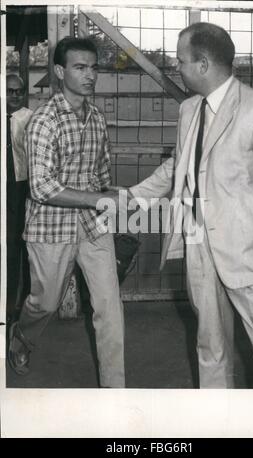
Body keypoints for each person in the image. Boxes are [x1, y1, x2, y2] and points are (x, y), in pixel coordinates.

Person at [128, 23, 253, 388]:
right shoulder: (189, 109)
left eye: (182, 60)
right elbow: (180, 165)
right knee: (210, 348)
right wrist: (132, 197)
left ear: (202, 64)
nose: (177, 67)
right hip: (198, 244)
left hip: (252, 256)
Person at [8, 37, 125, 388]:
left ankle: (115, 393)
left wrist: (114, 201)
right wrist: (95, 199)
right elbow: (41, 188)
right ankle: (20, 336)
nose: (90, 75)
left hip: (93, 228)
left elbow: (102, 175)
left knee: (110, 310)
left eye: (93, 67)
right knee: (44, 303)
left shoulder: (97, 118)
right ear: (60, 72)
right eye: (80, 67)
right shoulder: (43, 121)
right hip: (49, 229)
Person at [6, 74, 33, 322]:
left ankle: (17, 303)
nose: (14, 96)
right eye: (9, 91)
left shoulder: (28, 118)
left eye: (18, 91)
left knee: (17, 243)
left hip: (19, 186)